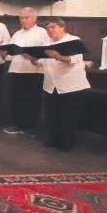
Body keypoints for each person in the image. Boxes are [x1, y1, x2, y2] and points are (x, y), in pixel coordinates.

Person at [37, 18, 91, 151]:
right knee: (52, 114)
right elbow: (41, 62)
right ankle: (53, 140)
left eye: (53, 27)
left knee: (68, 115)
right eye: (47, 28)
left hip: (70, 84)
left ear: (62, 27)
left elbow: (74, 59)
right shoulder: (46, 42)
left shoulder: (73, 40)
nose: (50, 30)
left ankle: (67, 143)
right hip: (51, 84)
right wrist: (32, 57)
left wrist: (58, 56)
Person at [0, 7, 49, 135]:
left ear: (34, 18)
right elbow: (11, 53)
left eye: (26, 17)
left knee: (33, 100)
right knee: (16, 99)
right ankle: (18, 124)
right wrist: (4, 53)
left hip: (33, 70)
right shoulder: (17, 34)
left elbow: (47, 52)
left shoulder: (41, 32)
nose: (23, 20)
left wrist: (32, 56)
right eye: (21, 18)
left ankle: (32, 127)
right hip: (16, 70)